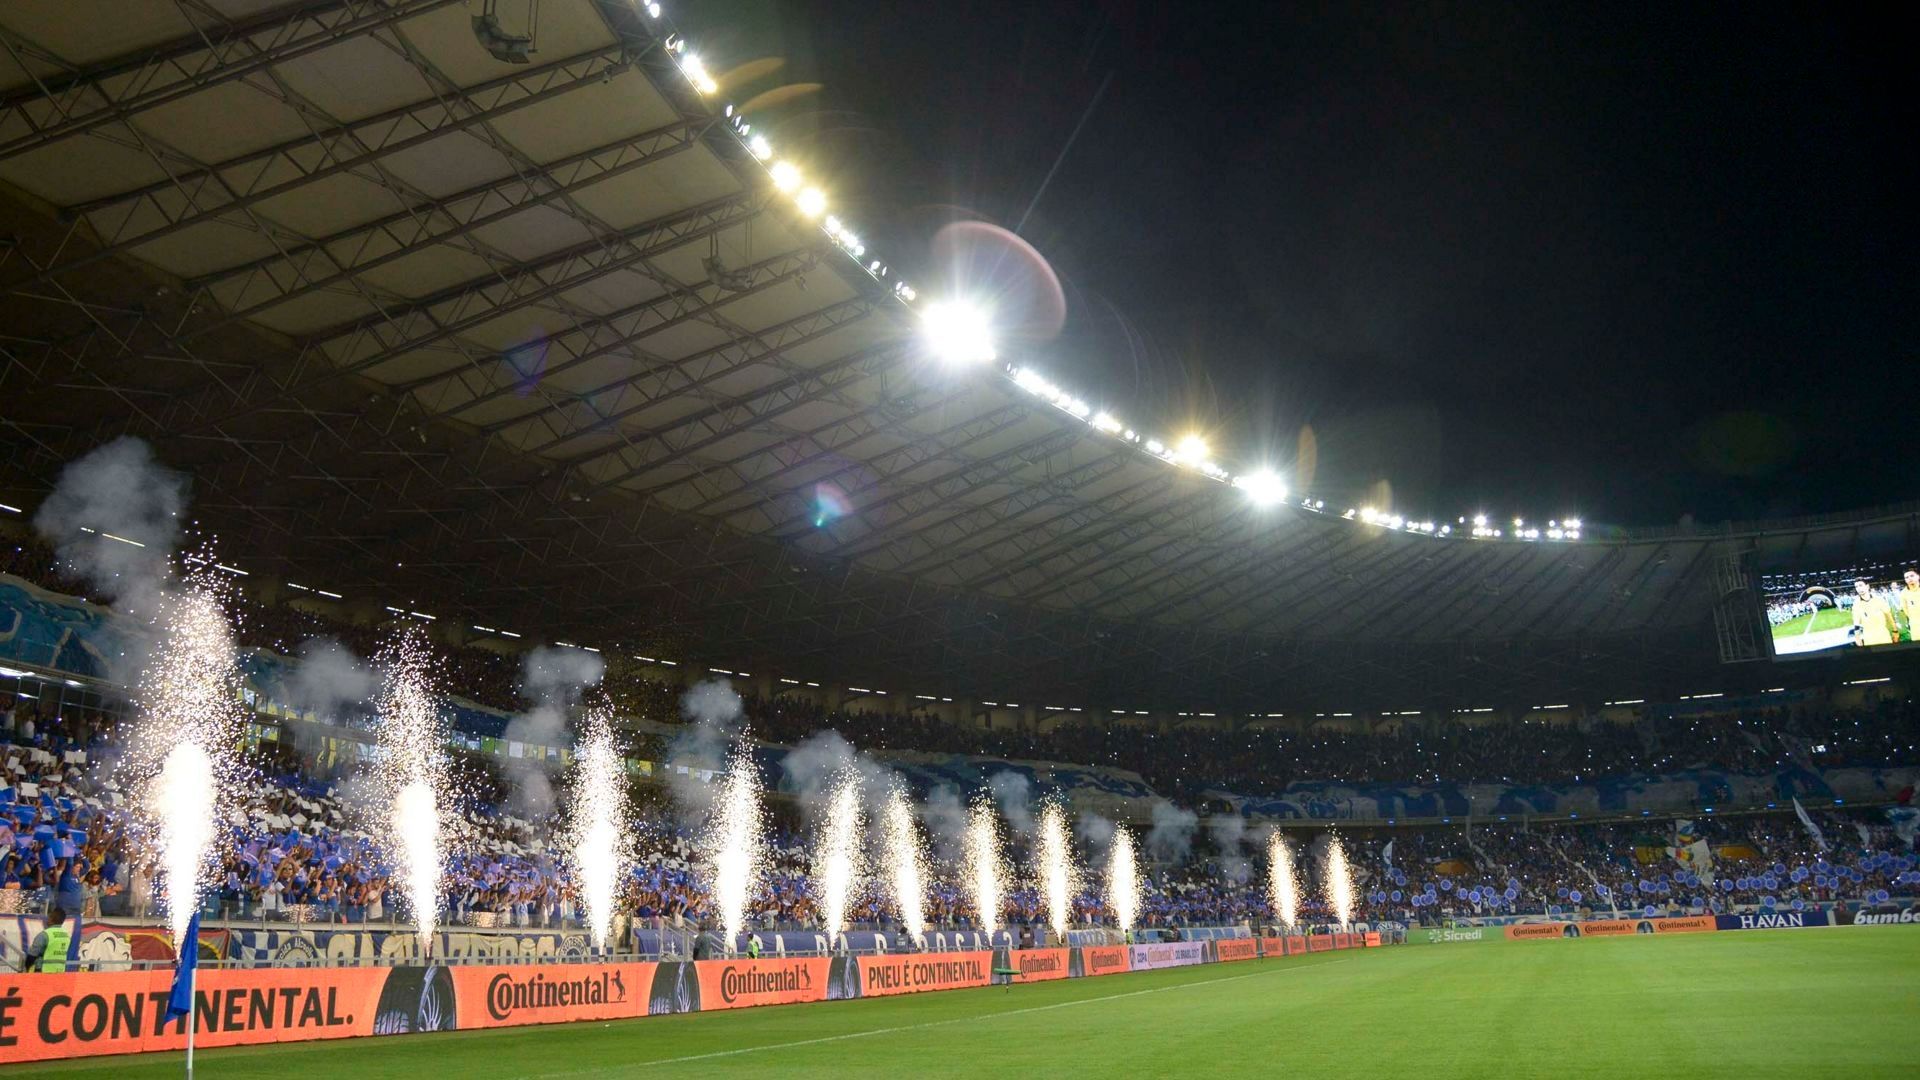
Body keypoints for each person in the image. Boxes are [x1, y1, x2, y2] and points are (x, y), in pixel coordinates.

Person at [22, 905, 71, 972]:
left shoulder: (45, 935)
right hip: (59, 972)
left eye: (49, 917)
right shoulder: (66, 935)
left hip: (43, 971)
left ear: (51, 919)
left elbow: (32, 955)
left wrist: (27, 967)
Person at [1851, 579, 1896, 647]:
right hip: (1869, 639)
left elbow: (1889, 615)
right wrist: (1857, 638)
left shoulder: (1879, 599)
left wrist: (1895, 631)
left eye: (1860, 585)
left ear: (1867, 586)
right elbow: (1856, 624)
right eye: (1856, 587)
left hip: (1884, 635)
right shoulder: (1856, 604)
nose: (1859, 588)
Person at [1899, 570, 1920, 642]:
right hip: (1915, 625)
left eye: (1912, 576)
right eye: (1906, 577)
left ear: (1918, 576)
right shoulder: (1903, 593)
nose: (1909, 579)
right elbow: (1905, 609)